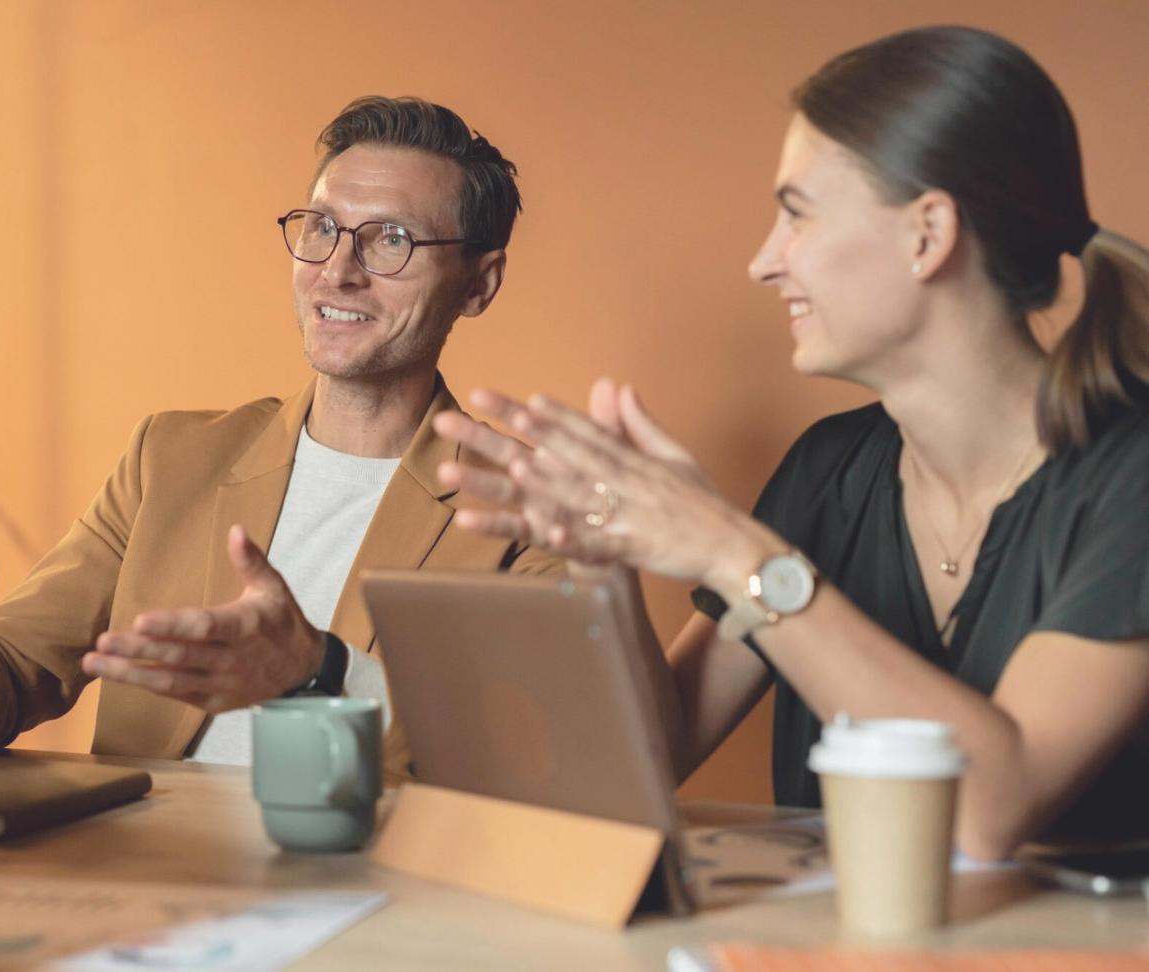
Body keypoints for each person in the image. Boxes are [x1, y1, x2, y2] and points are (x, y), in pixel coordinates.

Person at [435, 26, 1149, 859]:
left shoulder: (1129, 479)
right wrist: (609, 560)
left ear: (928, 234)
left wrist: (726, 545)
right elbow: (658, 752)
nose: (764, 263)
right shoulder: (827, 470)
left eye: (796, 216)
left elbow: (986, 808)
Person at [0, 96, 561, 778]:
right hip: (145, 870)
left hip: (373, 877)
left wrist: (319, 672)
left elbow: (519, 763)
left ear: (479, 285)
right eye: (323, 227)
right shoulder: (170, 458)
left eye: (392, 239)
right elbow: (12, 665)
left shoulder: (529, 509)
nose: (337, 270)